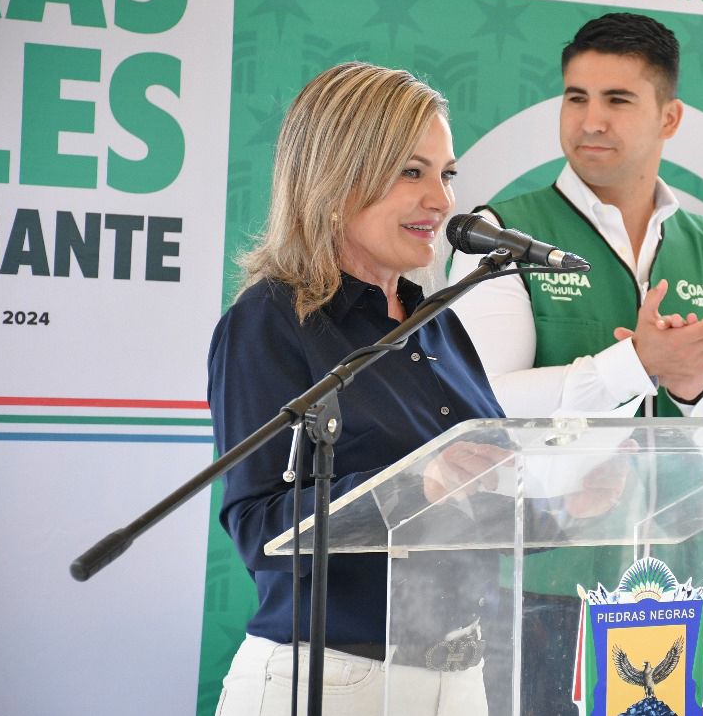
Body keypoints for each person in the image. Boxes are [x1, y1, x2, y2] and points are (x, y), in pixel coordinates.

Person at [445, 12, 703, 712]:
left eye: (617, 100)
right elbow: (482, 403)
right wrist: (634, 364)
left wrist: (693, 386)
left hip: (679, 584)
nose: (590, 120)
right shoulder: (503, 230)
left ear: (670, 117)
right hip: (538, 584)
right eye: (576, 97)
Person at [208, 62, 507, 716]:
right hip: (335, 680)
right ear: (337, 179)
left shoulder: (441, 324)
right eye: (413, 171)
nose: (444, 199)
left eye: (446, 173)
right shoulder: (270, 322)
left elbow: (483, 499)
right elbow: (258, 528)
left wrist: (575, 497)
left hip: (461, 680)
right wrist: (416, 483)